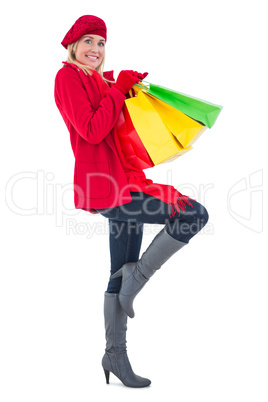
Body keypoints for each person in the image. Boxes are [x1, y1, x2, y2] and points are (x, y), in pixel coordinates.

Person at [54, 14, 209, 388]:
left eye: (101, 43)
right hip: (105, 187)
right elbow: (91, 130)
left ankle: (115, 355)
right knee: (193, 215)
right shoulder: (67, 77)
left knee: (117, 269)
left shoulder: (101, 80)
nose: (95, 49)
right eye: (88, 41)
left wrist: (126, 90)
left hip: (125, 181)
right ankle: (134, 280)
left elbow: (122, 131)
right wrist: (115, 90)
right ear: (74, 45)